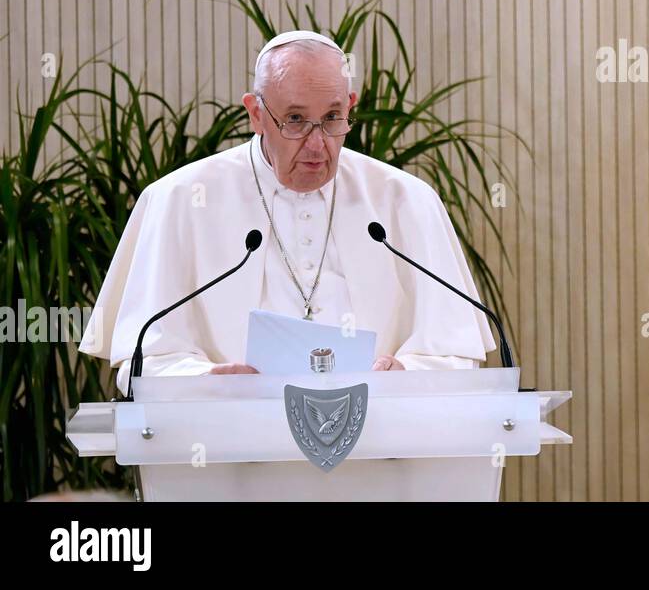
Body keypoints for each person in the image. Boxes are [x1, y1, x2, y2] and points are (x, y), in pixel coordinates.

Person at [79, 30, 495, 396]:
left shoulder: (406, 201)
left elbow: (454, 354)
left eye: (333, 118)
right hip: (230, 461)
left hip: (376, 457)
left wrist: (407, 373)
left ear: (350, 105)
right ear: (256, 114)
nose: (318, 145)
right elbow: (143, 361)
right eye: (295, 120)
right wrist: (208, 381)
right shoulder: (180, 200)